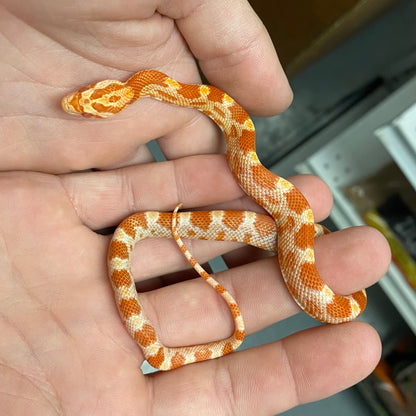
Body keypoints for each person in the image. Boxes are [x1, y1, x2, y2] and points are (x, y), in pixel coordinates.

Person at [0, 1, 390, 414]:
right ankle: (165, 312)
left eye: (86, 102)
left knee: (320, 246)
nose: (76, 103)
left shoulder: (176, 94)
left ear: (114, 97)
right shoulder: (150, 84)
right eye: (86, 103)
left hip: (318, 271)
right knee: (282, 227)